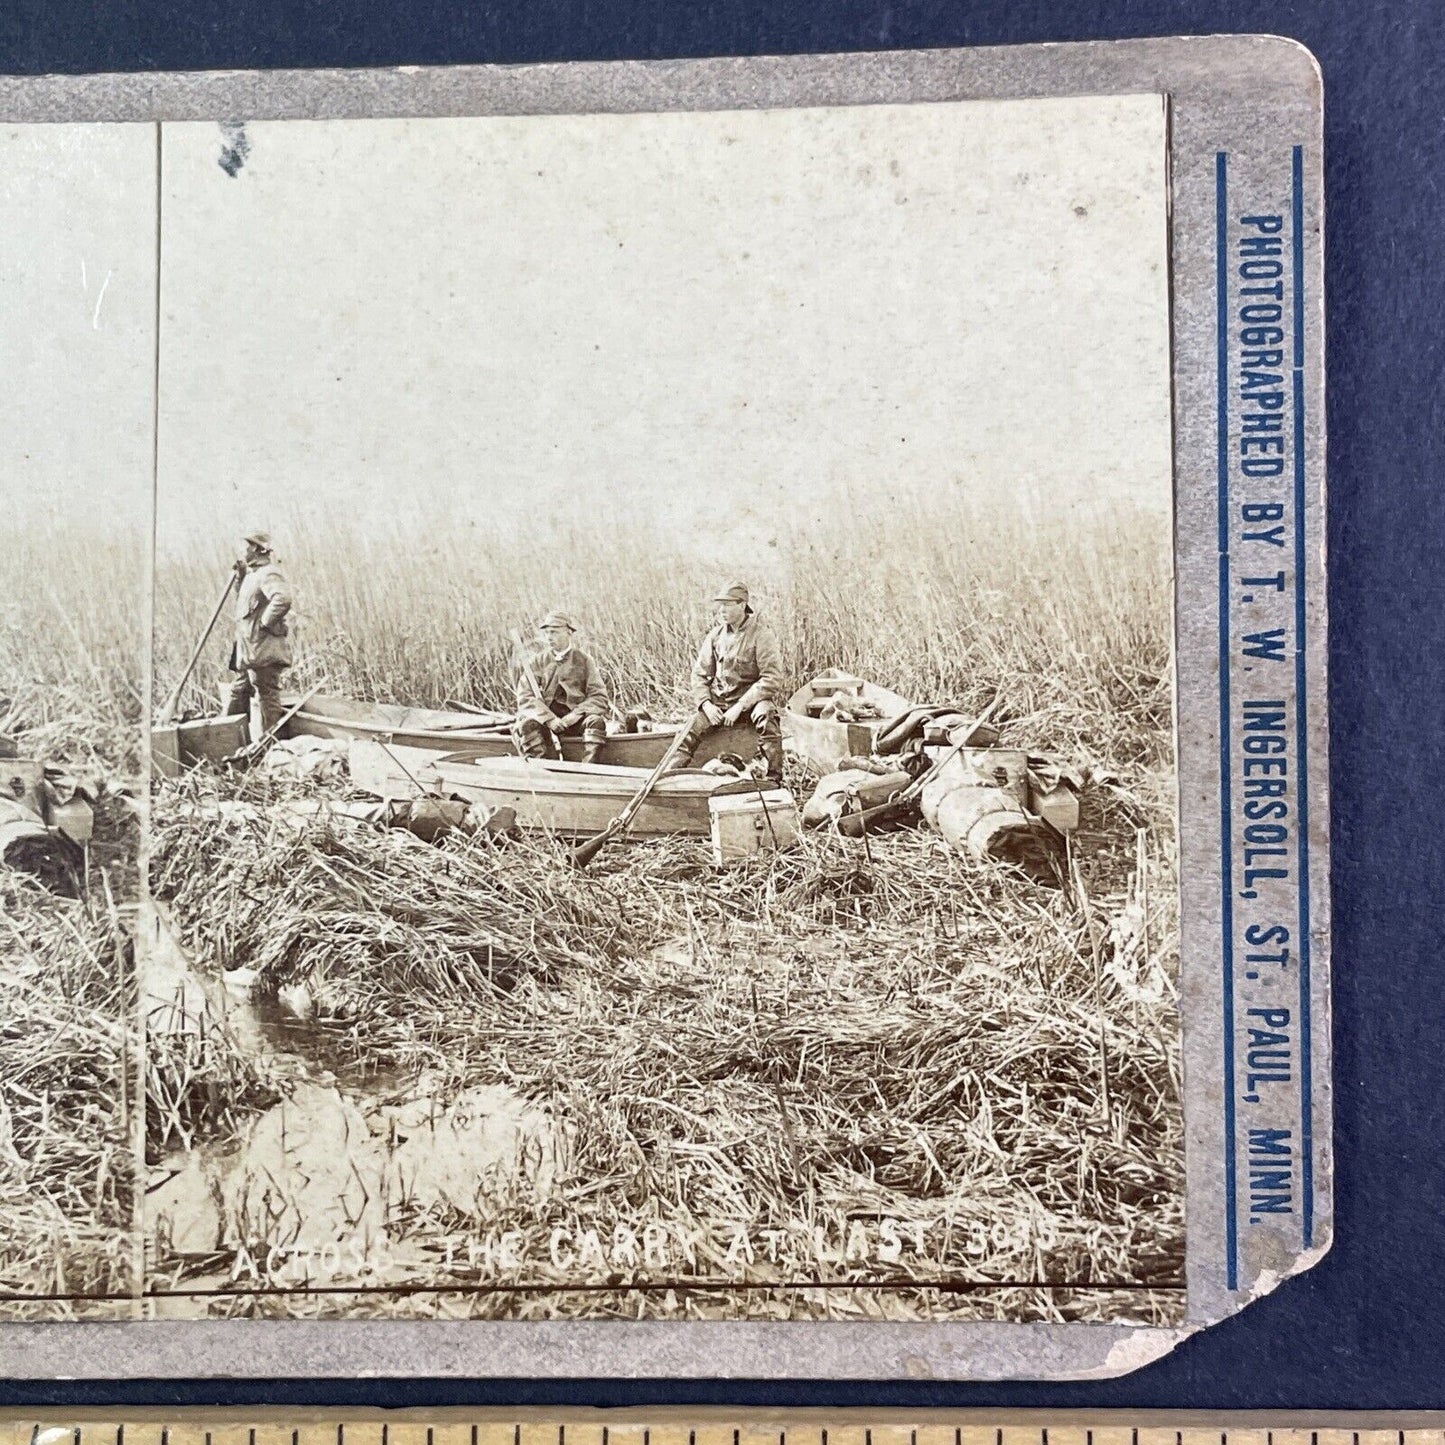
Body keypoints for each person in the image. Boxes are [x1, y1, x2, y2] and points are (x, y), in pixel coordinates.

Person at [673, 582, 785, 782]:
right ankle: (670, 777)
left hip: (751, 704)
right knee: (689, 731)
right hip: (720, 703)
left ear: (743, 605)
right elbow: (699, 674)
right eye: (720, 605)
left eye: (728, 604)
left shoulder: (761, 636)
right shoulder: (715, 635)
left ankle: (774, 779)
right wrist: (706, 704)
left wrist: (741, 705)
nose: (722, 610)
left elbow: (772, 678)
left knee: (767, 715)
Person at [223, 530, 294, 742]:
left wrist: (264, 623)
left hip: (263, 648)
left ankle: (270, 747)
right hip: (249, 649)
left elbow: (282, 598)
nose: (241, 550)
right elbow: (247, 604)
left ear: (254, 548)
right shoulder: (253, 575)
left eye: (244, 545)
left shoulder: (269, 573)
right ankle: (226, 742)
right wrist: (240, 578)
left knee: (267, 695)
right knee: (239, 690)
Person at [515, 611, 610, 764]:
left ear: (568, 632)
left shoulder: (584, 661)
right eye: (546, 633)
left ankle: (589, 769)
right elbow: (525, 696)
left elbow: (598, 696)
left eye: (554, 632)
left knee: (596, 721)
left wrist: (575, 715)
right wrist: (549, 719)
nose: (549, 637)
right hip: (545, 723)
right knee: (527, 725)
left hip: (576, 721)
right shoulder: (538, 661)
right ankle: (544, 768)